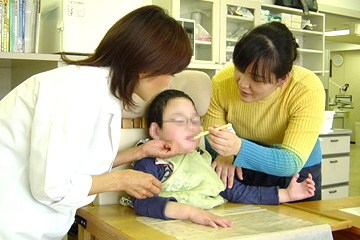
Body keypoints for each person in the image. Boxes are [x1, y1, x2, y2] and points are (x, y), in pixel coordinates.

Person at [0, 5, 192, 240]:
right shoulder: (76, 91)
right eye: (171, 72)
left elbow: (79, 166)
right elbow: (52, 187)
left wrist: (138, 152)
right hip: (12, 224)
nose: (169, 82)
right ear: (147, 64)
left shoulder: (101, 91)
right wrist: (121, 179)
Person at [130, 89, 315, 228]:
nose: (192, 127)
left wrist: (286, 194)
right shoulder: (152, 162)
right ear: (155, 131)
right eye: (180, 121)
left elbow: (236, 192)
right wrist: (191, 212)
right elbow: (142, 202)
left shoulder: (204, 159)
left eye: (195, 121)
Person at [203, 21, 325, 201]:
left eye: (257, 79)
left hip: (296, 173)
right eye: (239, 68)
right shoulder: (222, 82)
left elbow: (291, 161)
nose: (242, 83)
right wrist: (223, 152)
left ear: (282, 80)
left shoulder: (306, 89)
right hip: (243, 163)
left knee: (301, 226)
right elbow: (210, 135)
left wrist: (236, 148)